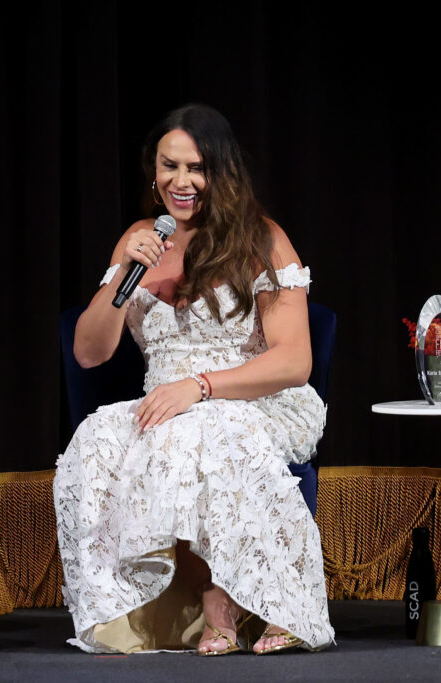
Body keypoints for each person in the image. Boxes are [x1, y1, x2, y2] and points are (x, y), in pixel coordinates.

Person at [54, 104, 335, 655]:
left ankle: (227, 600)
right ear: (153, 171)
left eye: (196, 168)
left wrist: (200, 387)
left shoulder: (260, 237)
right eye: (169, 167)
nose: (180, 182)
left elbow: (294, 361)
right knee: (98, 441)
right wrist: (121, 281)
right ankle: (133, 606)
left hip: (255, 397)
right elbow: (89, 352)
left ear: (221, 172)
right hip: (165, 403)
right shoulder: (139, 239)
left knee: (205, 434)